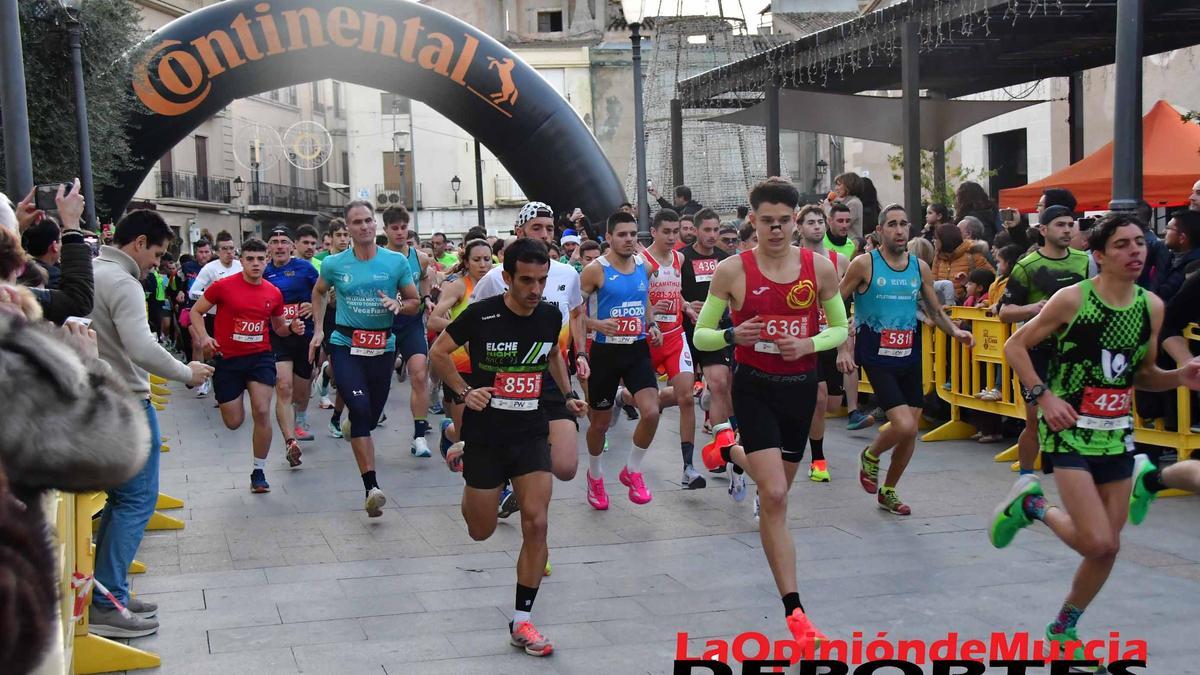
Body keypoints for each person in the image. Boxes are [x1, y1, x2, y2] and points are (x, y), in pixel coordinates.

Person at [990, 212, 1200, 667]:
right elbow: (1015, 346)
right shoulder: (1073, 299)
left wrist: (1179, 376)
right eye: (1122, 244)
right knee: (1097, 543)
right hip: (1069, 431)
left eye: (1139, 242)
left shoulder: (1151, 306)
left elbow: (1142, 374)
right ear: (1099, 256)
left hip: (1116, 436)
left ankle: (1063, 628)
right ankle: (1034, 506)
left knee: (1108, 548)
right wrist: (1044, 397)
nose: (1135, 251)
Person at [693, 177, 848, 650]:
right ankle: (795, 612)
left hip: (798, 390)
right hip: (755, 388)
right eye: (767, 222)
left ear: (796, 220)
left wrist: (809, 344)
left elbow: (840, 328)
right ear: (753, 221)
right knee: (775, 495)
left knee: (777, 488)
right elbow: (700, 335)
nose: (776, 230)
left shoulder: (819, 268)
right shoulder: (731, 270)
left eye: (784, 221)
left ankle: (728, 449)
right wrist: (730, 336)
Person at [430, 238, 585, 657]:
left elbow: (552, 354)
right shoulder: (482, 314)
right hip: (486, 435)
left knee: (537, 522)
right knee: (480, 531)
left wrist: (568, 394)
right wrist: (465, 392)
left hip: (531, 431)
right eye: (526, 280)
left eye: (541, 280)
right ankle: (461, 454)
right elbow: (438, 352)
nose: (535, 289)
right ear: (507, 277)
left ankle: (522, 621)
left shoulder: (549, 315)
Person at [90, 210, 213, 637]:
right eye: (157, 255)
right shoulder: (122, 281)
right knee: (137, 500)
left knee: (120, 500)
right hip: (125, 402)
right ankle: (107, 603)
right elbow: (140, 346)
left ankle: (110, 593)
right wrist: (185, 372)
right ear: (139, 243)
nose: (156, 265)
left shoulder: (92, 271)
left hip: (99, 401)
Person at [838, 205, 973, 515]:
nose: (899, 230)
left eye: (903, 224)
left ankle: (888, 490)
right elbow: (836, 301)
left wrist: (955, 331)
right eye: (892, 224)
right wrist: (843, 345)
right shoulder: (864, 264)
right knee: (903, 424)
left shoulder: (919, 267)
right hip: (876, 356)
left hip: (909, 355)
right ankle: (871, 455)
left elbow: (934, 309)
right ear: (880, 230)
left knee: (910, 431)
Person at [472, 202, 589, 517]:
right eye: (537, 228)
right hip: (509, 380)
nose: (545, 235)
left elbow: (576, 314)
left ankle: (524, 469)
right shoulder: (495, 278)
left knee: (565, 467)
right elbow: (472, 327)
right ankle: (524, 487)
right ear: (520, 231)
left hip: (551, 376)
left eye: (549, 228)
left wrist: (580, 353)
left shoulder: (567, 274)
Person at [309, 201, 422, 517]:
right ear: (348, 228)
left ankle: (355, 422)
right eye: (357, 222)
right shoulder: (334, 264)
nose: (364, 226)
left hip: (382, 347)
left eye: (368, 220)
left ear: (375, 224)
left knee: (369, 418)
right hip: (346, 344)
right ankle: (371, 488)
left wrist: (400, 305)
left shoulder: (395, 262)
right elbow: (319, 291)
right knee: (359, 409)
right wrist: (318, 329)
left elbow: (414, 301)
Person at [191, 237, 302, 491]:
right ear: (241, 261)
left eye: (261, 259)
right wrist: (204, 337)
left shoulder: (273, 293)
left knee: (262, 411)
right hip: (228, 359)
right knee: (233, 422)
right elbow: (197, 311)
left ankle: (258, 472)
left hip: (260, 357)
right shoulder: (223, 286)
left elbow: (279, 328)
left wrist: (291, 328)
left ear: (267, 260)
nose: (256, 264)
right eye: (250, 259)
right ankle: (231, 395)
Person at [1000, 197, 1093, 476]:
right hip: (1036, 351)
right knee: (1035, 419)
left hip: (1075, 351)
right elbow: (1004, 311)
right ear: (1043, 230)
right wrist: (1034, 309)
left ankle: (1074, 470)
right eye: (1060, 225)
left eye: (1070, 224)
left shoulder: (1085, 261)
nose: (1067, 230)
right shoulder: (1026, 266)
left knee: (1077, 415)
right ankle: (1026, 477)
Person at [580, 211, 663, 508]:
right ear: (609, 237)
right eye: (622, 235)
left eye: (633, 235)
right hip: (605, 353)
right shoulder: (594, 271)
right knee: (599, 424)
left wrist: (651, 324)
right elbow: (573, 313)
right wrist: (596, 324)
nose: (629, 240)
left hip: (636, 349)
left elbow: (644, 300)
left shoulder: (644, 266)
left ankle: (632, 470)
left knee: (651, 412)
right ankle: (595, 476)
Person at [637, 209, 703, 489]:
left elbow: (676, 290)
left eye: (675, 232)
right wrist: (651, 311)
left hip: (675, 337)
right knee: (646, 402)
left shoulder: (679, 258)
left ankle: (688, 468)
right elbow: (635, 297)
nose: (672, 237)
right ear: (653, 232)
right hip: (649, 338)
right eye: (666, 232)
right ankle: (621, 398)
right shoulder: (642, 262)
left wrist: (685, 306)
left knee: (686, 398)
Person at [797, 204, 850, 483]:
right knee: (818, 400)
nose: (817, 226)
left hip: (832, 336)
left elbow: (849, 298)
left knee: (831, 404)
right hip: (807, 340)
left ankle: (799, 417)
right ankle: (818, 459)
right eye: (810, 222)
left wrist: (845, 344)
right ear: (799, 228)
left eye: (820, 221)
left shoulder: (840, 261)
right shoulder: (793, 259)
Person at [682, 208, 736, 477]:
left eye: (716, 229)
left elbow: (734, 294)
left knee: (719, 384)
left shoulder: (725, 261)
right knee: (679, 395)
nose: (713, 235)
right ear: (695, 230)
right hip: (686, 331)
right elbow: (672, 290)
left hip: (716, 332)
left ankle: (721, 448)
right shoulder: (683, 258)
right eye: (707, 230)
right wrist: (685, 305)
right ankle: (626, 397)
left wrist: (723, 309)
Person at [428, 239, 494, 456]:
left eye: (487, 259)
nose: (483, 265)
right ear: (466, 262)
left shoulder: (499, 285)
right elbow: (434, 321)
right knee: (464, 436)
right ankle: (448, 432)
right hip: (459, 366)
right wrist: (464, 330)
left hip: (490, 365)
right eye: (477, 260)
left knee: (490, 429)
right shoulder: (459, 286)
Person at [381, 206, 437, 457]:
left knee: (419, 375)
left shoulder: (420, 257)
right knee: (379, 381)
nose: (400, 232)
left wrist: (426, 298)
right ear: (385, 230)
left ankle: (419, 436)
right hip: (385, 325)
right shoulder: (379, 258)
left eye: (404, 227)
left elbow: (424, 277)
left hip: (411, 323)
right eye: (394, 228)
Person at [263, 227, 321, 446]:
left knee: (301, 389)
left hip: (304, 334)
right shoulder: (264, 271)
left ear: (292, 246)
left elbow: (324, 293)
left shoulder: (305, 268)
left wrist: (313, 306)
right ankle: (290, 439)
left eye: (284, 242)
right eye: (274, 241)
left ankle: (300, 418)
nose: (279, 246)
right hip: (277, 335)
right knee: (283, 385)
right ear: (269, 247)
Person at [189, 230, 243, 397]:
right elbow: (193, 292)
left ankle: (236, 383)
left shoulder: (241, 266)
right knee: (213, 352)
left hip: (239, 317)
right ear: (217, 251)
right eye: (224, 249)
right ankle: (206, 379)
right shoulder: (210, 268)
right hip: (215, 317)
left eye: (231, 248)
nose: (229, 252)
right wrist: (213, 299)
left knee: (236, 351)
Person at [933, 222, 994, 303]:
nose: (933, 241)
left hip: (966, 305)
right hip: (942, 305)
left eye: (936, 238)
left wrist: (966, 283)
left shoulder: (972, 255)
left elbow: (991, 280)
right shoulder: (938, 257)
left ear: (945, 240)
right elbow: (933, 281)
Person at [1152, 210, 1200, 303]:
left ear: (1182, 237)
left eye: (1168, 228)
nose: (1164, 231)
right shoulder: (1169, 258)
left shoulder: (1194, 268)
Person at [831, 172, 865, 237]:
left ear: (848, 186)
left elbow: (837, 225)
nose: (836, 188)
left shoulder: (854, 203)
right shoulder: (846, 202)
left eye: (839, 185)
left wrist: (826, 207)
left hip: (851, 242)